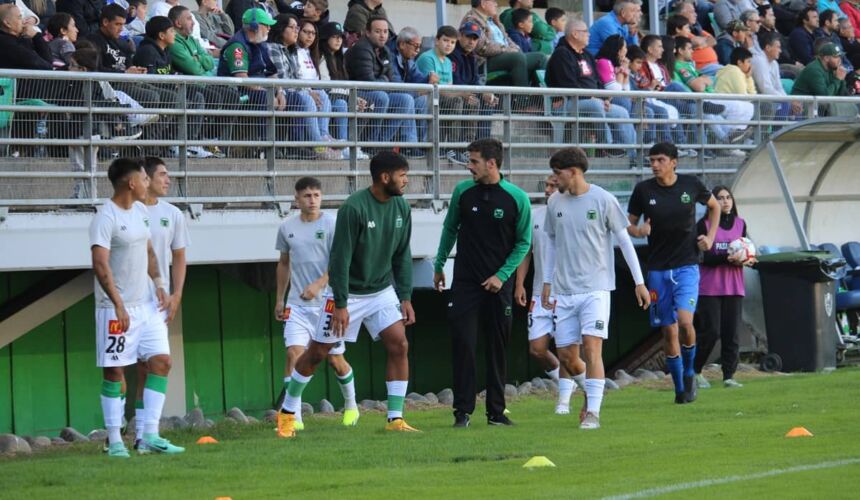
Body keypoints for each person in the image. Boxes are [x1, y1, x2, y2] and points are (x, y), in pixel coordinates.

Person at [277, 152, 418, 438]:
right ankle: (288, 412)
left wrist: (405, 295)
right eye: (403, 175)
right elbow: (339, 260)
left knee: (399, 344)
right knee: (317, 353)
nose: (407, 181)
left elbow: (403, 255)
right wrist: (340, 303)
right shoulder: (354, 208)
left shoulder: (402, 208)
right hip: (348, 294)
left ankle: (395, 418)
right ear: (385, 177)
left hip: (381, 291)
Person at [542, 147, 650, 429]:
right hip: (564, 290)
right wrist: (547, 282)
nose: (554, 179)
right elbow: (551, 242)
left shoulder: (603, 199)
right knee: (567, 356)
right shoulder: (555, 203)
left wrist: (639, 282)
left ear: (573, 171)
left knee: (592, 349)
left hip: (596, 288)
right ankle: (590, 393)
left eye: (558, 173)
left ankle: (593, 412)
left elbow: (624, 241)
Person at [433, 138, 532, 428]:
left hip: (498, 287)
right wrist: (439, 265)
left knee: (497, 348)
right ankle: (462, 412)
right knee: (463, 343)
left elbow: (523, 243)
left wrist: (502, 277)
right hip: (465, 283)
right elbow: (450, 228)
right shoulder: (463, 192)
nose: (468, 166)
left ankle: (496, 413)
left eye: (473, 161)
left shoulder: (517, 198)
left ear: (492, 163)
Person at [89, 157, 184, 457]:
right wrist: (117, 304)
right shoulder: (105, 218)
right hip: (116, 307)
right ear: (131, 183)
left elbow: (150, 252)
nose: (148, 184)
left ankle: (149, 436)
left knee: (161, 362)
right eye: (144, 179)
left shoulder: (142, 211)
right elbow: (99, 264)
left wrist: (159, 284)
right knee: (115, 372)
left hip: (147, 306)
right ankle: (115, 440)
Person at [627, 142, 721, 405]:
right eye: (651, 160)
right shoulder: (643, 190)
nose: (654, 165)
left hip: (687, 264)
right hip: (657, 269)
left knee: (685, 321)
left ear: (674, 162)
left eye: (660, 160)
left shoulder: (691, 185)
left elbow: (714, 206)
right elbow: (629, 224)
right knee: (668, 332)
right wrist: (638, 232)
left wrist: (711, 237)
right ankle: (680, 388)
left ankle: (690, 370)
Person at [274, 177, 360, 430]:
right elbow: (283, 263)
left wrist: (319, 284)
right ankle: (293, 417)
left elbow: (342, 261)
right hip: (297, 306)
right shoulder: (286, 227)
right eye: (307, 196)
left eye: (316, 195)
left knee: (335, 361)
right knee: (294, 354)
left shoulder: (333, 224)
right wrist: (280, 298)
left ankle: (352, 405)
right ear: (296, 199)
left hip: (329, 304)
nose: (312, 200)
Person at [129, 157, 189, 450]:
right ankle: (123, 436)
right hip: (130, 301)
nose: (168, 180)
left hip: (160, 302)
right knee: (137, 369)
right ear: (146, 179)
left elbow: (178, 256)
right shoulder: (129, 211)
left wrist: (177, 294)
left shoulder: (173, 214)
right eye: (163, 175)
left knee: (160, 363)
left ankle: (146, 435)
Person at [514, 174, 584, 416]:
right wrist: (519, 283)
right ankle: (574, 384)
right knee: (537, 348)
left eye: (553, 185)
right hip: (538, 293)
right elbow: (527, 251)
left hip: (566, 293)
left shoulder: (574, 215)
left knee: (567, 349)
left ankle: (564, 400)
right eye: (545, 185)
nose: (547, 190)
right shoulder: (535, 216)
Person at [546, 19, 636, 162]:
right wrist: (591, 97)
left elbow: (598, 82)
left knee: (622, 112)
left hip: (593, 101)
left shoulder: (587, 54)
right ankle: (607, 146)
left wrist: (604, 99)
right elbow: (567, 84)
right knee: (595, 105)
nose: (589, 35)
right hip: (567, 102)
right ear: (575, 34)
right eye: (586, 32)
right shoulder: (561, 54)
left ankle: (632, 156)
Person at [693, 185, 754, 390]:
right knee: (710, 331)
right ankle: (695, 370)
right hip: (709, 288)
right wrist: (729, 259)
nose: (725, 201)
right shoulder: (704, 225)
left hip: (734, 287)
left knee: (732, 334)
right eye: (720, 198)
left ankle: (729, 376)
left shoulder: (740, 224)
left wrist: (748, 259)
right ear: (712, 202)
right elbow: (704, 257)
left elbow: (749, 250)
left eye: (728, 197)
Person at [345, 16, 419, 154]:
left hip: (376, 91)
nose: (382, 35)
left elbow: (391, 80)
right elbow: (368, 82)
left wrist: (383, 80)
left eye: (385, 31)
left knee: (405, 99)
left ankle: (382, 143)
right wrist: (384, 80)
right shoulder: (361, 49)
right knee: (381, 96)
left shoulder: (385, 50)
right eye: (378, 31)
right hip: (355, 93)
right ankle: (371, 144)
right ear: (368, 32)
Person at [461, 0, 546, 88]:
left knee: (540, 58)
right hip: (485, 61)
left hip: (504, 56)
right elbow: (482, 47)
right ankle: (523, 99)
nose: (496, 4)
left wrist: (516, 49)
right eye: (493, 1)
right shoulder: (472, 20)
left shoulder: (493, 20)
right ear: (483, 4)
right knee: (517, 58)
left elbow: (507, 39)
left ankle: (539, 97)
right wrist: (506, 49)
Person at [448, 21, 498, 146]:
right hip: (453, 95)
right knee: (470, 100)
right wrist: (474, 92)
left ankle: (480, 145)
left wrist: (485, 93)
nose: (471, 42)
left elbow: (475, 81)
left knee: (489, 102)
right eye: (468, 37)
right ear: (460, 36)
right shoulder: (452, 54)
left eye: (475, 38)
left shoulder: (473, 57)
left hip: (467, 93)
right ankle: (458, 145)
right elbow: (456, 82)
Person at [752, 31, 804, 119]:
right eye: (778, 47)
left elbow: (778, 87)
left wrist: (790, 101)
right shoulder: (759, 61)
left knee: (796, 108)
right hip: (758, 102)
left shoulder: (774, 63)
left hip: (771, 100)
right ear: (768, 47)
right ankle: (776, 132)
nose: (780, 51)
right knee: (785, 105)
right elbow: (765, 89)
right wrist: (788, 101)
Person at [674, 1, 722, 76]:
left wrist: (700, 44)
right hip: (702, 68)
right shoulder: (681, 31)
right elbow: (696, 41)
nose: (695, 15)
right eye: (691, 12)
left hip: (713, 65)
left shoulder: (696, 28)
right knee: (730, 72)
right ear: (681, 15)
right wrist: (704, 42)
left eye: (695, 12)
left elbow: (713, 41)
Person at [0, 3, 52, 71]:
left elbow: (48, 62)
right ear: (7, 23)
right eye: (19, 17)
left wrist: (35, 36)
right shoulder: (6, 43)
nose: (23, 21)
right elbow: (45, 66)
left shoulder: (22, 38)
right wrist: (36, 36)